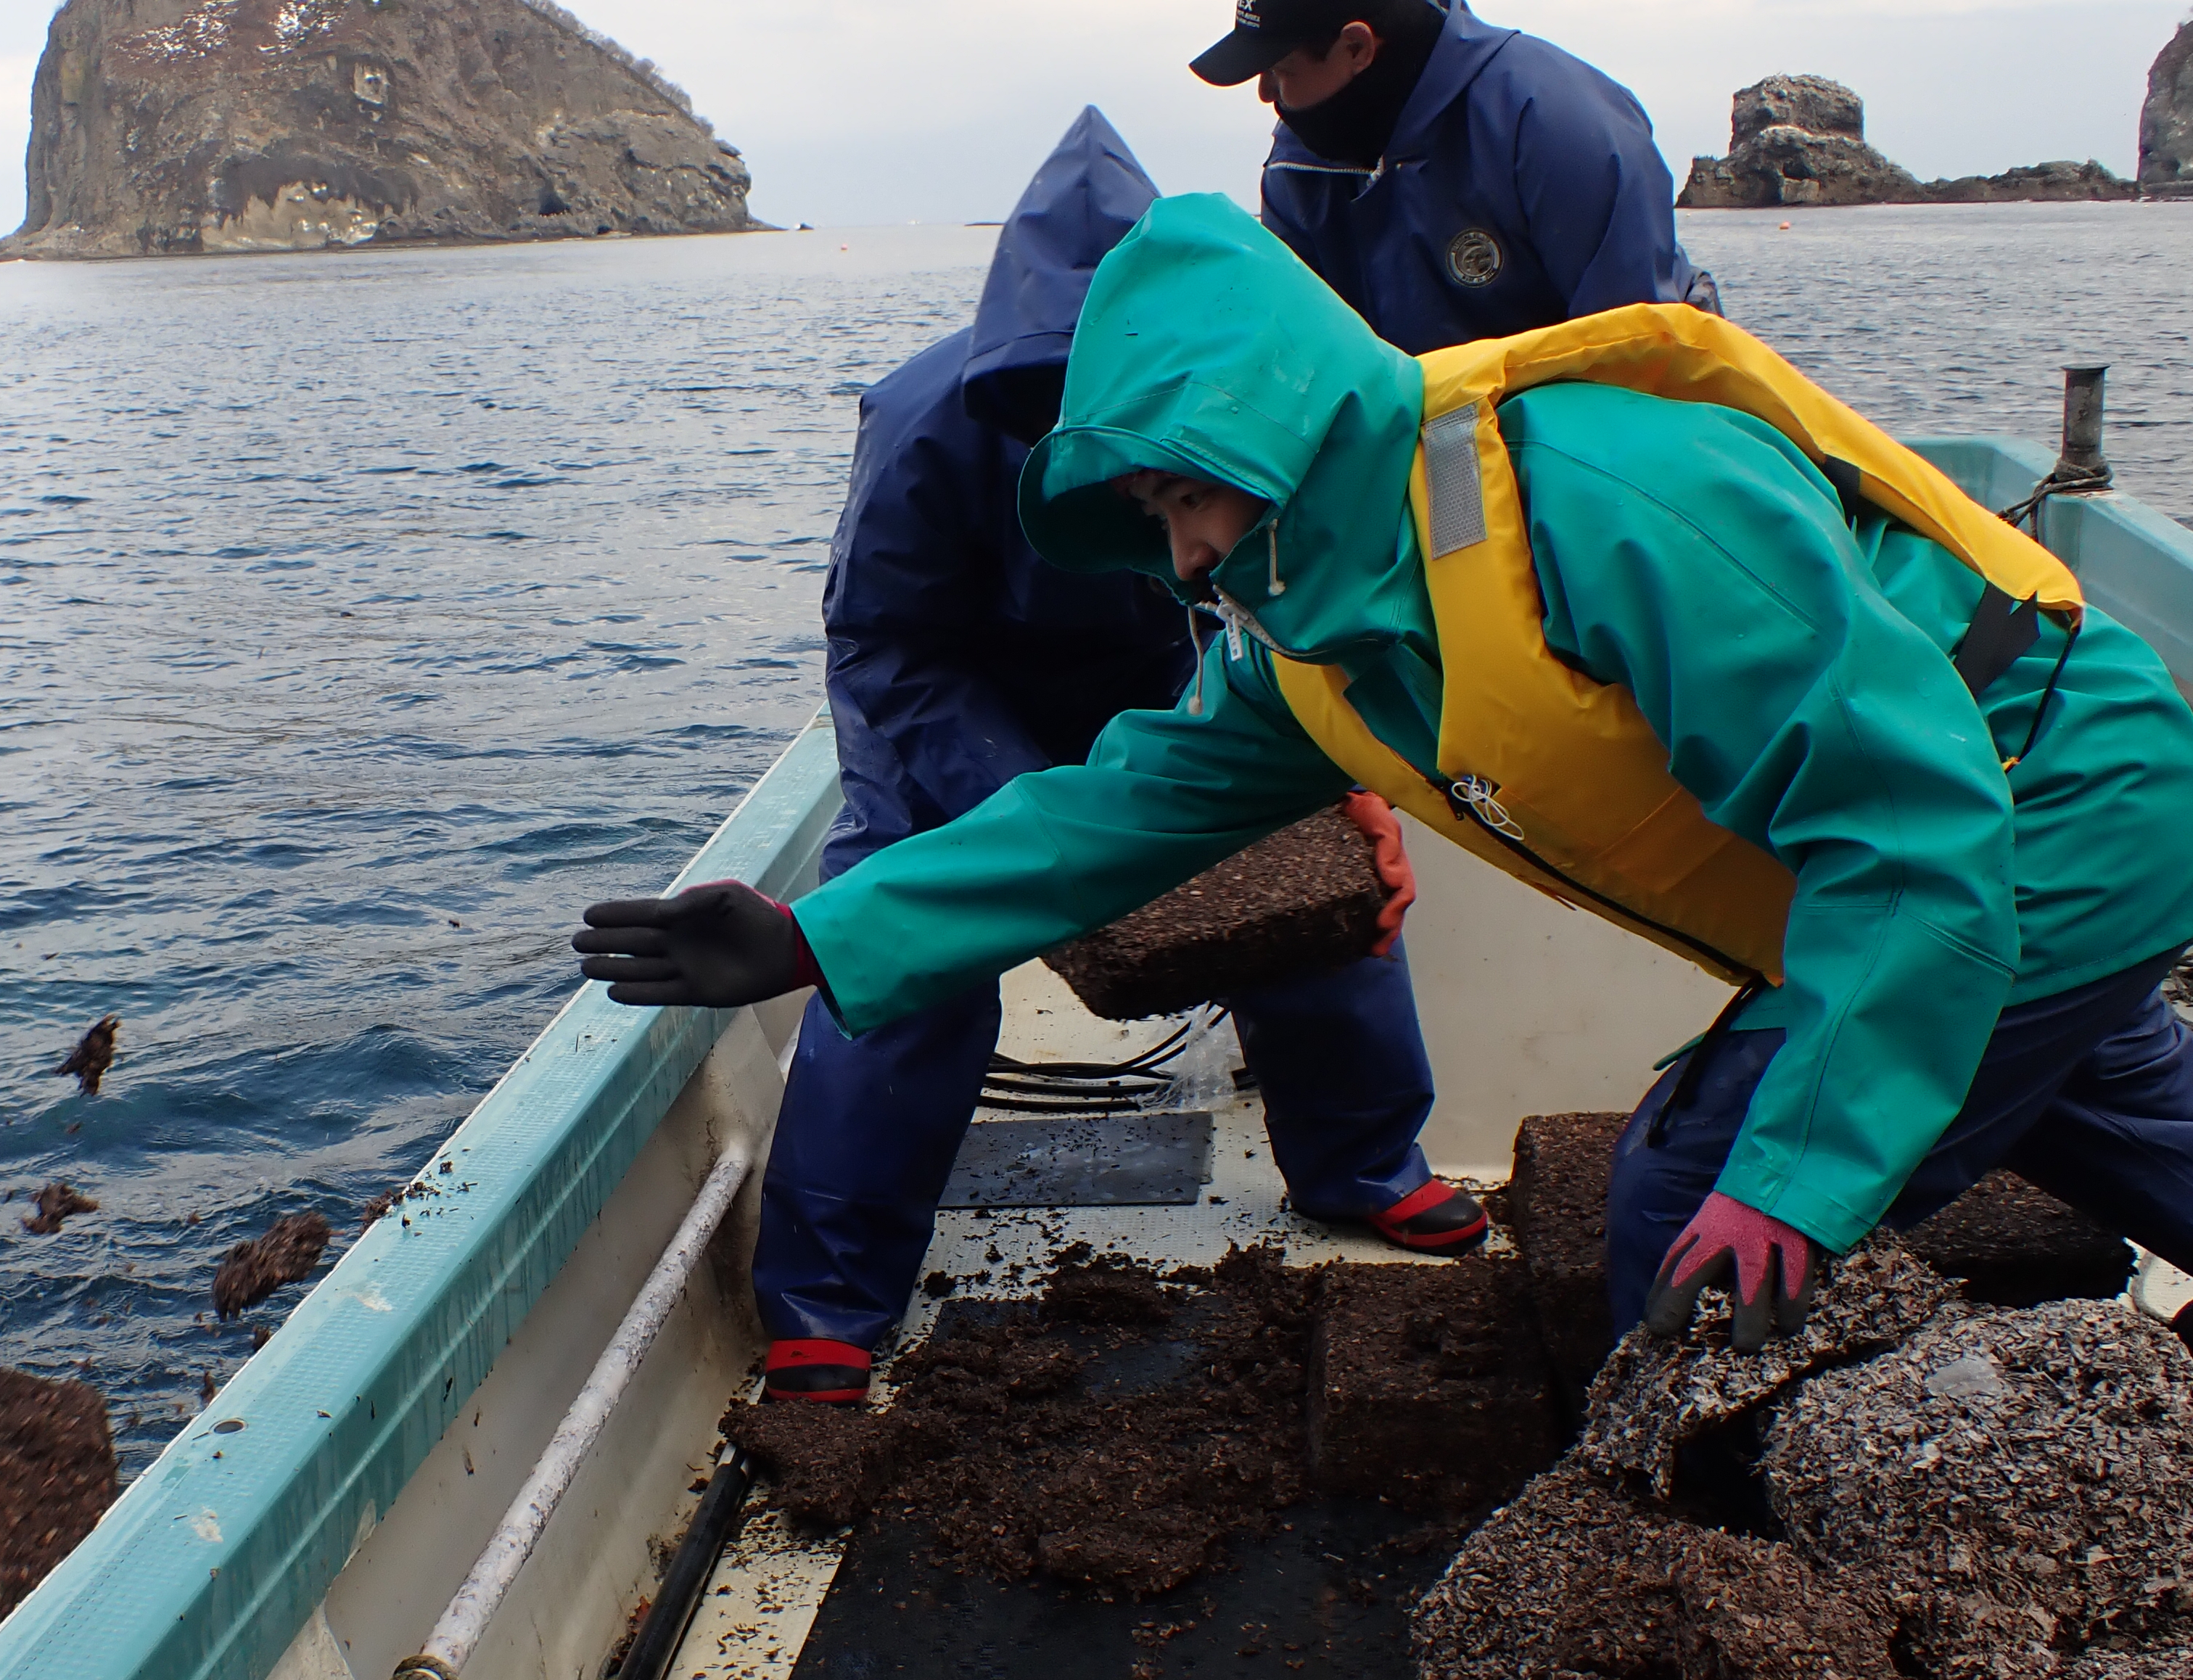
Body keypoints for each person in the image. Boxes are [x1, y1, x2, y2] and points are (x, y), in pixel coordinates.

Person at [575, 194, 2193, 1354]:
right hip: (2013, 845)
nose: (1181, 552)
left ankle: (1668, 1591)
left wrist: (1794, 1181)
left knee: (1687, 1197)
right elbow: (1105, 817)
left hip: (2044, 811)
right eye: (1149, 517)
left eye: (1184, 494)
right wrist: (816, 937)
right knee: (2097, 1112)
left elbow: (1914, 831)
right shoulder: (1314, 639)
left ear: (1271, 421)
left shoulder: (1604, 498)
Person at [743, 112, 1481, 1405]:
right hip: (953, 693)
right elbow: (886, 639)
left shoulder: (1235, 409)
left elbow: (1290, 610)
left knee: (1313, 884)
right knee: (908, 930)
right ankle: (829, 1295)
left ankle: (1361, 1161)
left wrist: (1350, 782)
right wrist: (1016, 809)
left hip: (1173, 680)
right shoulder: (923, 420)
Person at [1190, 0, 1720, 353]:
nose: (1265, 94)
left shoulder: (1559, 126)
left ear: (1356, 48)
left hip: (1593, 424)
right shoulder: (1300, 163)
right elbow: (1297, 352)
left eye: (1280, 71)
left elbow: (1636, 357)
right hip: (1430, 436)